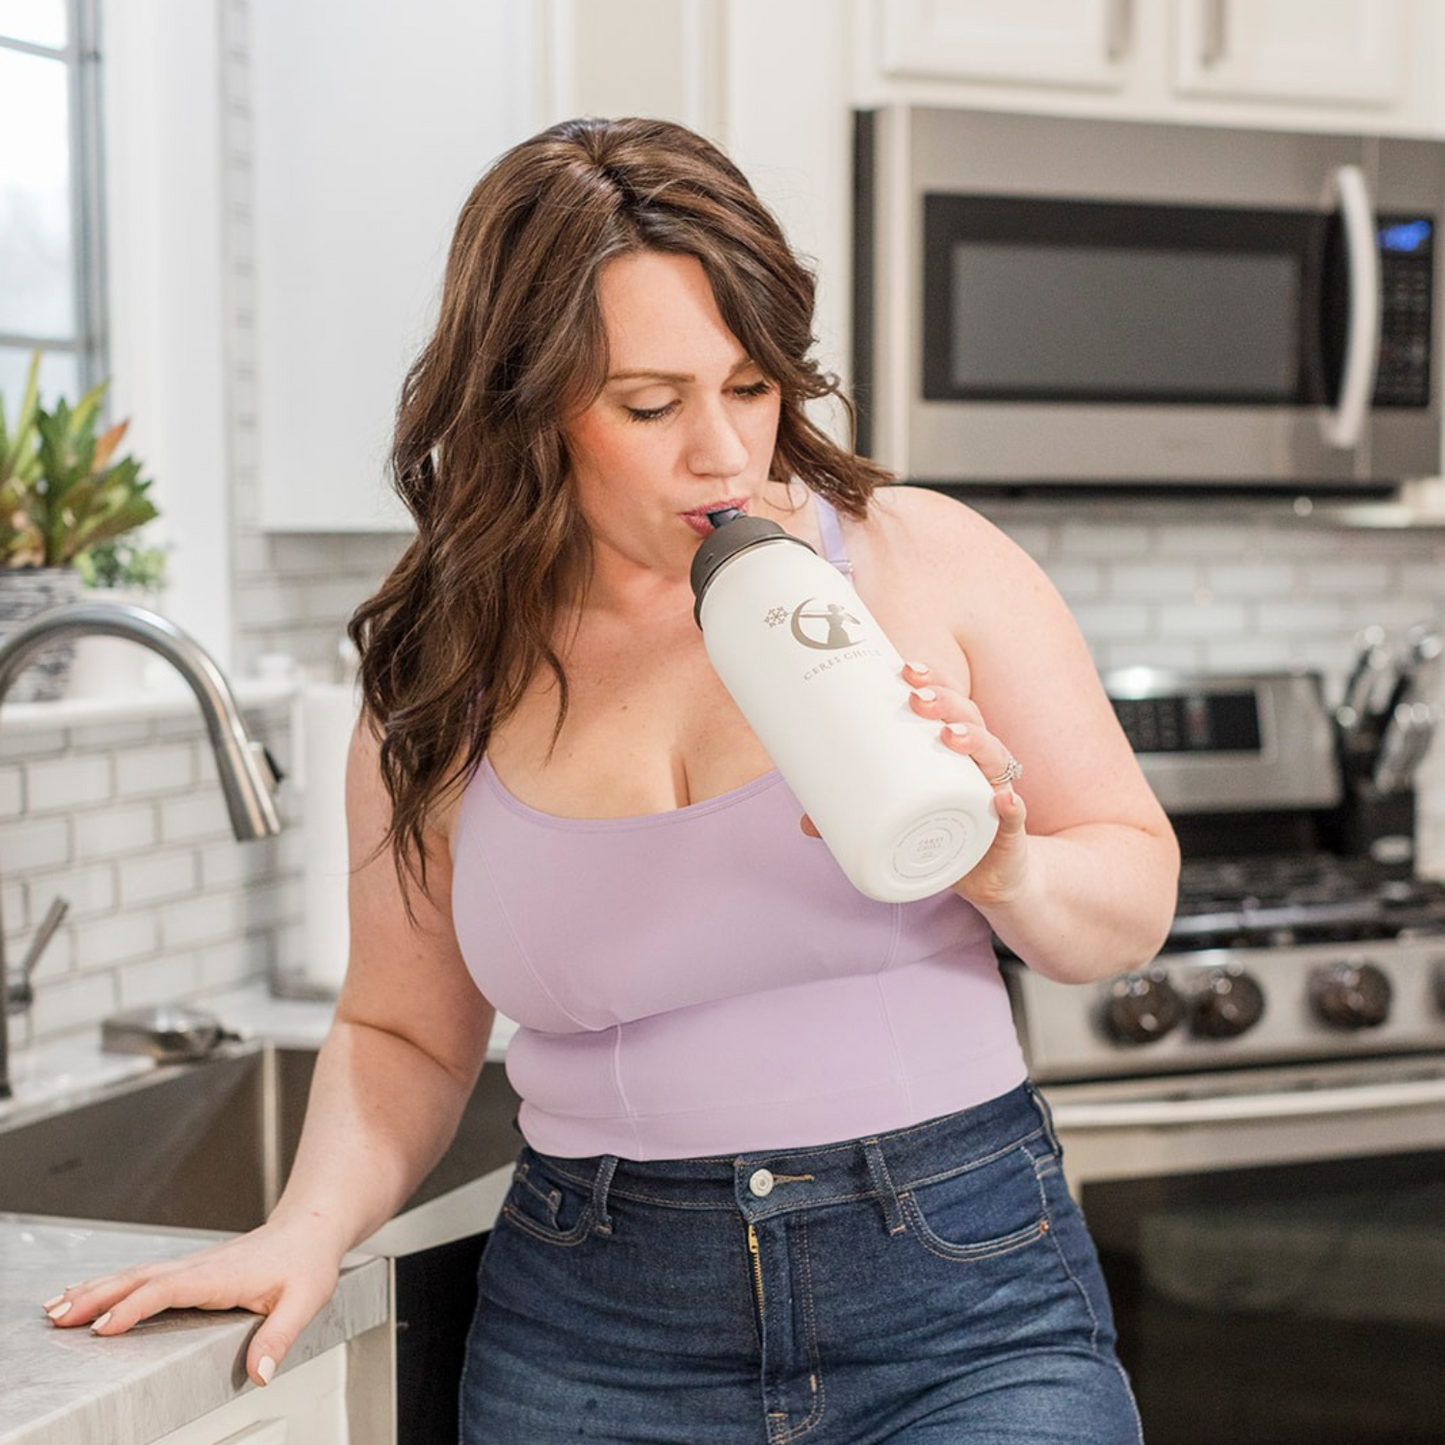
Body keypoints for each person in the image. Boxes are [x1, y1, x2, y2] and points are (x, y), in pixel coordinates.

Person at [44, 116, 1178, 1442]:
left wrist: (1012, 865)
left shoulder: (921, 561)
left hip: (961, 1292)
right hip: (598, 1327)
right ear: (528, 407)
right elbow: (405, 1028)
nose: (725, 455)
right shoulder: (438, 671)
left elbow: (1131, 896)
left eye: (753, 387)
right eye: (651, 404)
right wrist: (303, 1228)